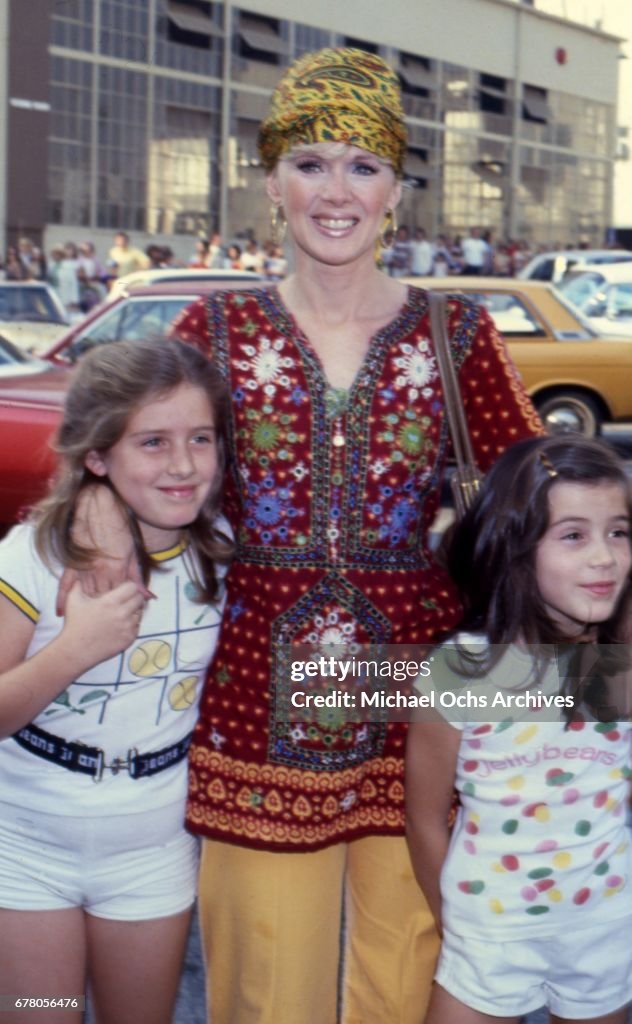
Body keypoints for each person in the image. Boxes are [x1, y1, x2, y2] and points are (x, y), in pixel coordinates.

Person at [63, 47, 541, 1024]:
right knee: (264, 987)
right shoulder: (216, 328)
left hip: (415, 699)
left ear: (395, 190)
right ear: (272, 180)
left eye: (363, 166)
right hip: (255, 707)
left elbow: (540, 494)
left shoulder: (456, 335)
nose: (336, 191)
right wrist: (102, 515)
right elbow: (115, 442)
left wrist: (599, 649)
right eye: (311, 163)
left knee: (409, 973)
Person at [406, 434, 632, 1024]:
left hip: (602, 925)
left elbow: (624, 788)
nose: (604, 557)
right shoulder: (460, 671)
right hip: (487, 933)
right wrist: (457, 928)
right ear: (515, 549)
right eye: (573, 535)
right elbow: (423, 819)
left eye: (618, 532)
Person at [0, 339, 233, 1024]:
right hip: (26, 848)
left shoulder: (225, 551)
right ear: (97, 456)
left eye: (201, 438)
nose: (184, 464)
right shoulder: (37, 554)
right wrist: (75, 649)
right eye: (153, 442)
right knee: (42, 1010)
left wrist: (509, 688)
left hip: (152, 853)